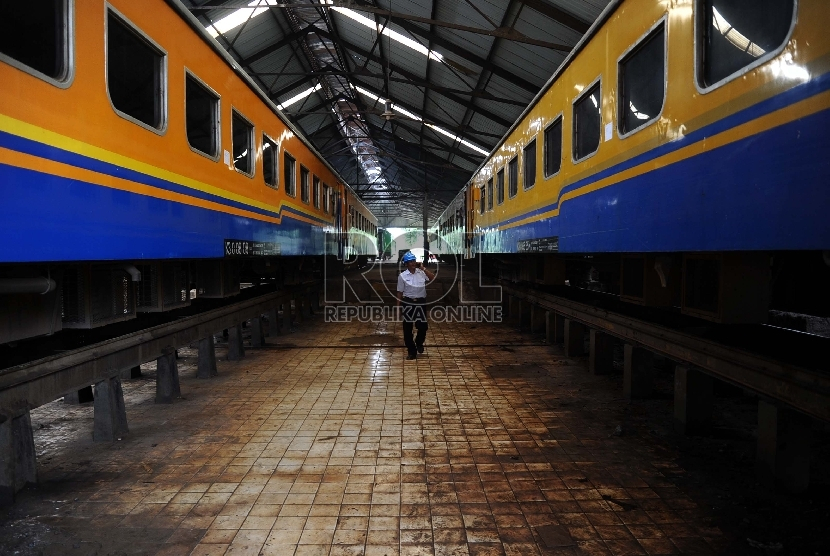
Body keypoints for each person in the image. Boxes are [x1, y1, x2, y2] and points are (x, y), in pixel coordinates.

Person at [396, 251, 435, 360]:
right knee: (408, 328)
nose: (412, 263)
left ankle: (419, 342)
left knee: (423, 326)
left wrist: (423, 268)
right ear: (406, 264)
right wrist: (398, 307)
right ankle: (411, 351)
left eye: (413, 261)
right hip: (408, 303)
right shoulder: (402, 276)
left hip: (420, 302)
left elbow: (433, 278)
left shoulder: (421, 273)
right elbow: (399, 292)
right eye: (410, 262)